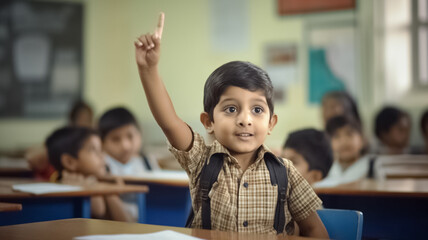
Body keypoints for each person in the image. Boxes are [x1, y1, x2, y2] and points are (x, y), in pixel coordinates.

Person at [134, 13, 328, 237]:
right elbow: (169, 122)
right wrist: (149, 70)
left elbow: (315, 230)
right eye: (231, 109)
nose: (245, 119)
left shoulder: (285, 172)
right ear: (209, 122)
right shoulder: (201, 161)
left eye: (257, 110)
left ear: (271, 123)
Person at [45, 126, 131, 222]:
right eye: (94, 150)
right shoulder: (64, 184)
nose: (102, 156)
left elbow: (128, 223)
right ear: (70, 162)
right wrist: (103, 189)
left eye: (101, 150)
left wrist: (107, 190)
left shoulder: (99, 181)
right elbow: (99, 210)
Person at [98, 106, 159, 222]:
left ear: (139, 135)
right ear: (102, 142)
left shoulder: (147, 162)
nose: (125, 146)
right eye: (115, 139)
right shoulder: (102, 166)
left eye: (130, 136)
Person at [26, 100, 94, 180]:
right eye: (83, 119)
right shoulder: (62, 138)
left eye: (88, 120)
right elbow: (31, 157)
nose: (86, 124)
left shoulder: (92, 140)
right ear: (72, 121)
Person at [317, 116, 370, 186]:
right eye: (336, 136)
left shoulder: (375, 168)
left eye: (349, 134)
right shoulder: (324, 171)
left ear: (362, 140)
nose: (344, 142)